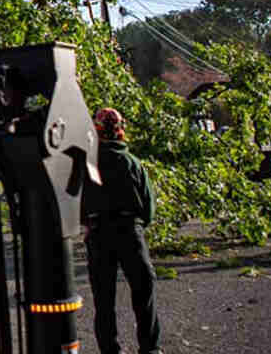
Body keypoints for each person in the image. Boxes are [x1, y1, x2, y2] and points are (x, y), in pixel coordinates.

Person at [83, 107, 162, 354]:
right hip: (129, 232)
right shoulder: (131, 163)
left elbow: (78, 200)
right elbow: (148, 207)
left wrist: (86, 224)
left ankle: (110, 349)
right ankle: (150, 348)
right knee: (144, 291)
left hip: (98, 234)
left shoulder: (88, 165)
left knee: (103, 300)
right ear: (121, 131)